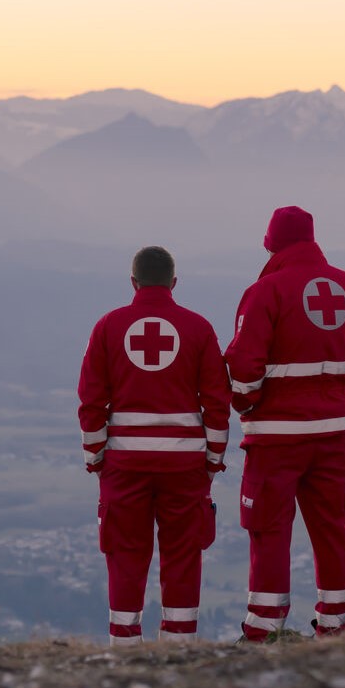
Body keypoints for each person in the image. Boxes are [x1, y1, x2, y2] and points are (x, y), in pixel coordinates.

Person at [224, 206, 345, 641]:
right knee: (331, 527)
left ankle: (263, 628)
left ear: (271, 243)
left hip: (274, 438)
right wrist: (329, 395)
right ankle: (336, 624)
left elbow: (243, 371)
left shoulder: (265, 291)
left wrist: (249, 404)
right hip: (332, 434)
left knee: (268, 530)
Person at [77, 245, 231, 644]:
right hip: (185, 467)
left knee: (125, 555)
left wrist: (96, 457)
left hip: (124, 465)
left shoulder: (107, 326)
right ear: (174, 283)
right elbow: (217, 401)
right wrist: (213, 459)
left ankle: (124, 646)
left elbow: (91, 401)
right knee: (183, 553)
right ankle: (179, 646)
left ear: (133, 282)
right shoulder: (198, 328)